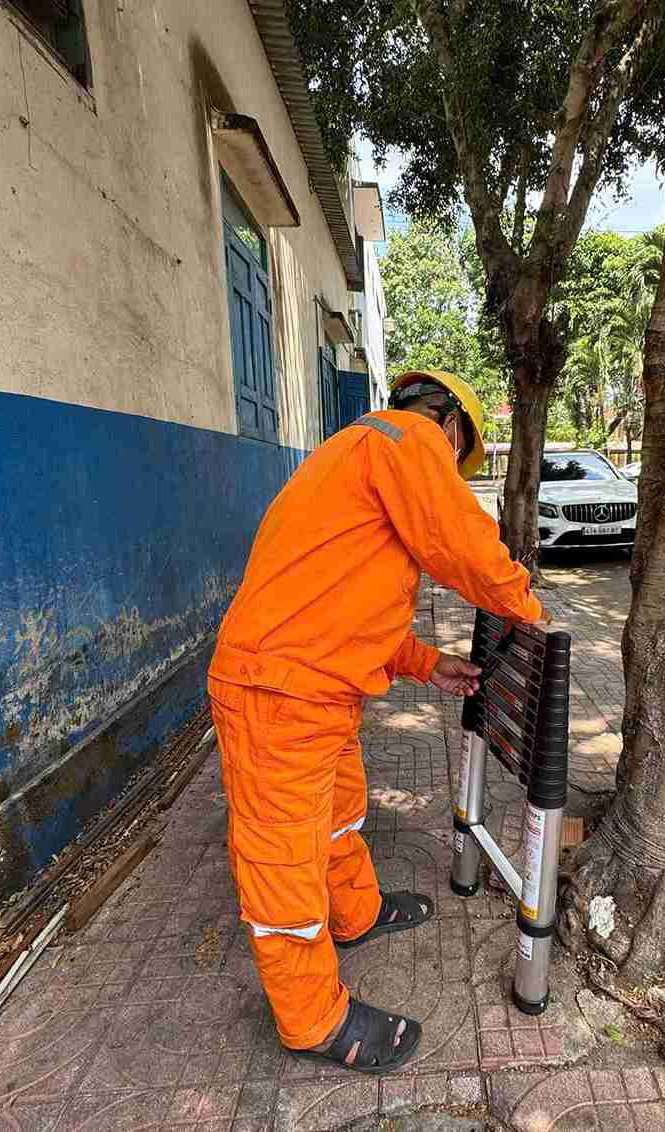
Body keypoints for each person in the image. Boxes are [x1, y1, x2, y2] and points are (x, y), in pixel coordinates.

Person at [207, 370, 544, 1074]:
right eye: (460, 462)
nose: (451, 472)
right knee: (282, 862)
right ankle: (312, 1020)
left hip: (311, 688)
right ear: (449, 425)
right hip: (278, 693)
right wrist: (529, 612)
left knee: (337, 815)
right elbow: (462, 544)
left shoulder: (351, 452)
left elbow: (350, 598)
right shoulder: (409, 441)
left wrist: (427, 663)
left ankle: (356, 913)